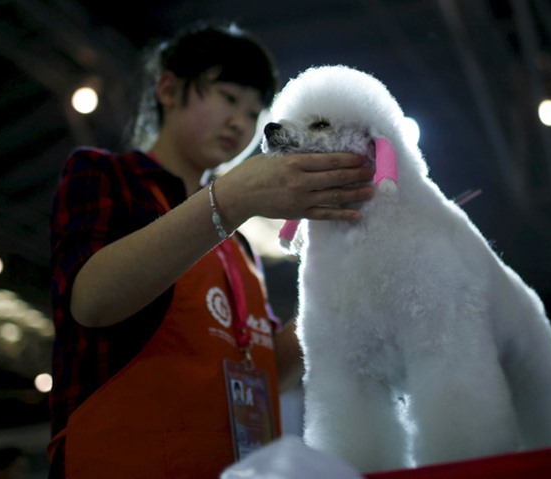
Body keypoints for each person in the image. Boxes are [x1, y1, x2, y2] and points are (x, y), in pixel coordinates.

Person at [47, 19, 375, 478]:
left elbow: (265, 368)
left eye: (255, 108)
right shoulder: (107, 176)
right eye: (228, 97)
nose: (241, 120)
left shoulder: (240, 242)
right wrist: (231, 198)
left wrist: (348, 292)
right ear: (168, 88)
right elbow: (91, 300)